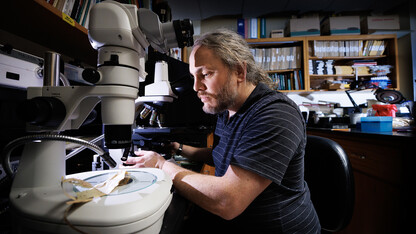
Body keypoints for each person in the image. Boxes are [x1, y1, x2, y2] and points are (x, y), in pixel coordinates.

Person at [122, 29, 321, 233]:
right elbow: (224, 155)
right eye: (193, 76)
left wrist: (161, 164)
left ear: (239, 72)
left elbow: (228, 201)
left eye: (205, 74)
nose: (196, 87)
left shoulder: (275, 114)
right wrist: (180, 148)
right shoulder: (227, 110)